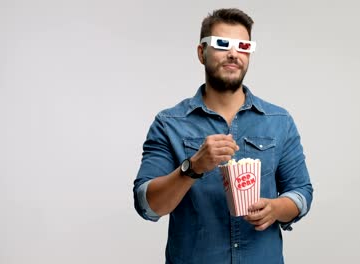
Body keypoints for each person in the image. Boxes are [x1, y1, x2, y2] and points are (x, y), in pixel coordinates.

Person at [133, 8, 313, 264]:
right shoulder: (169, 124)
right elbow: (148, 205)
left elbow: (301, 192)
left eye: (242, 46)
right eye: (221, 44)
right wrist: (192, 167)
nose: (233, 54)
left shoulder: (279, 121)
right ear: (201, 53)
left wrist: (276, 209)